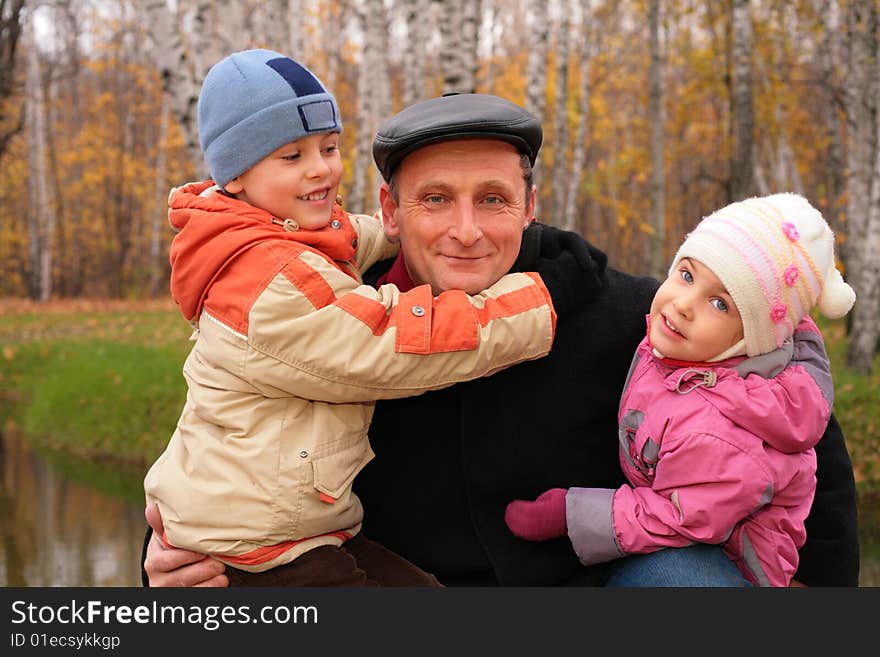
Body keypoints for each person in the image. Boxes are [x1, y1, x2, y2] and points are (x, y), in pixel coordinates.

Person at [143, 93, 860, 588]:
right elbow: (216, 459)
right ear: (388, 209)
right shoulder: (328, 318)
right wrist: (163, 560)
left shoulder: (617, 308)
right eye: (434, 200)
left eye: (492, 198)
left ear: (530, 204)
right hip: (378, 584)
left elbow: (790, 398)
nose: (465, 230)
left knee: (687, 580)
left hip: (587, 593)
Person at [144, 53, 577, 587]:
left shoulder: (280, 234)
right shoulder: (270, 281)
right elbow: (388, 342)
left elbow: (350, 234)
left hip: (301, 528)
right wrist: (530, 307)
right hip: (259, 547)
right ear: (235, 177)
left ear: (529, 203)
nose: (321, 168)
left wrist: (410, 223)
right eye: (290, 156)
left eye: (328, 148)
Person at [504, 193, 856, 587]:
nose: (685, 304)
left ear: (754, 339)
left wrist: (570, 514)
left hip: (725, 564)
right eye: (687, 275)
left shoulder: (720, 434)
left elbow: (682, 518)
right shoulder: (691, 348)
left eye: (720, 304)